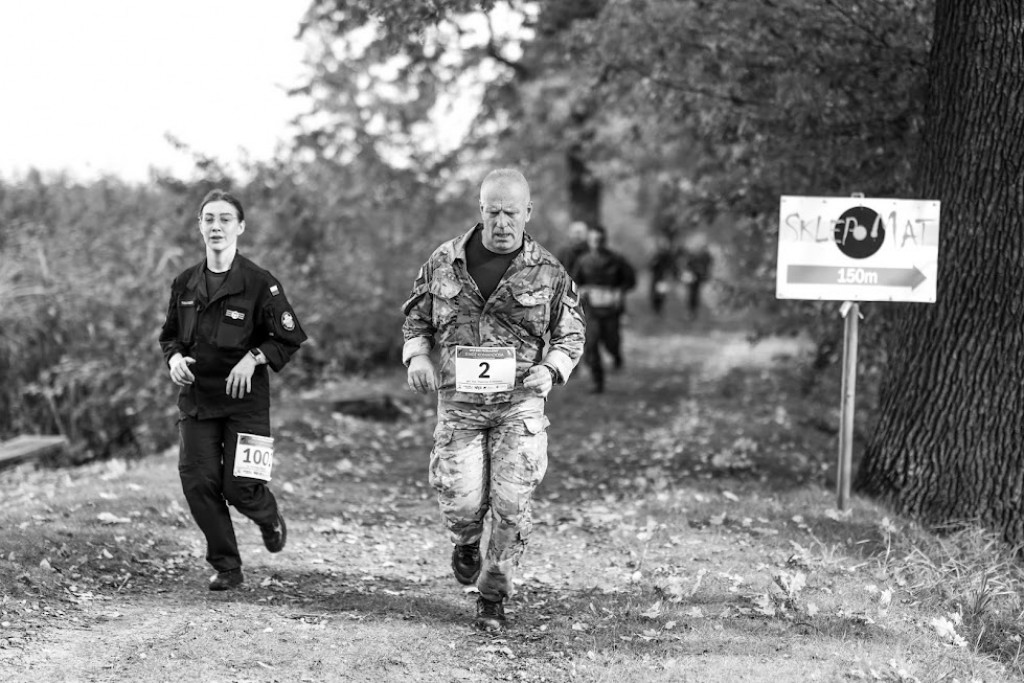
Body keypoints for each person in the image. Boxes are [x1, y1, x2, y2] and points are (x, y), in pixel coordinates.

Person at [402, 168, 585, 631]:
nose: (502, 222)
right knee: (462, 502)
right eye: (493, 211)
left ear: (528, 212)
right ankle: (464, 542)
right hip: (460, 404)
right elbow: (415, 321)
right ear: (481, 209)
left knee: (511, 504)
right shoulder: (444, 262)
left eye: (511, 212)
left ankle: (492, 595)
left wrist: (553, 368)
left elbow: (571, 333)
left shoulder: (548, 271)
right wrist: (417, 358)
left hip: (519, 402)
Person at [159, 189, 307, 591]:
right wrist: (174, 360)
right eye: (208, 218)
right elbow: (170, 338)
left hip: (246, 403)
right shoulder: (185, 283)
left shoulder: (261, 284)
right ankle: (227, 566)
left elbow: (288, 339)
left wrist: (254, 356)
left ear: (240, 227)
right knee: (198, 483)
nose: (216, 226)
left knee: (240, 486)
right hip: (198, 400)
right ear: (200, 227)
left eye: (225, 218)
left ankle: (268, 516)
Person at [570, 224, 636, 393]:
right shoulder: (583, 261)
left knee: (611, 342)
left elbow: (630, 280)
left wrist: (619, 291)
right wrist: (581, 290)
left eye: (599, 240)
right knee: (591, 345)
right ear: (589, 241)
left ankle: (616, 354)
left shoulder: (616, 259)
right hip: (591, 310)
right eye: (593, 240)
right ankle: (597, 382)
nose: (596, 243)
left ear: (604, 240)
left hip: (611, 310)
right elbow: (574, 283)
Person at [648, 236, 680, 315]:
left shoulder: (668, 256)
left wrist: (673, 275)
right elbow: (650, 266)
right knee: (654, 294)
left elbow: (672, 267)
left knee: (661, 294)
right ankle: (655, 309)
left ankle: (659, 309)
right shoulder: (656, 255)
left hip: (663, 277)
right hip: (656, 277)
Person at [683, 243, 713, 319]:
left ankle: (693, 311)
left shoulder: (704, 257)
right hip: (693, 279)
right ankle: (691, 311)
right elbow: (688, 267)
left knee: (694, 294)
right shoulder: (694, 258)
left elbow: (706, 267)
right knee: (693, 295)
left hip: (697, 279)